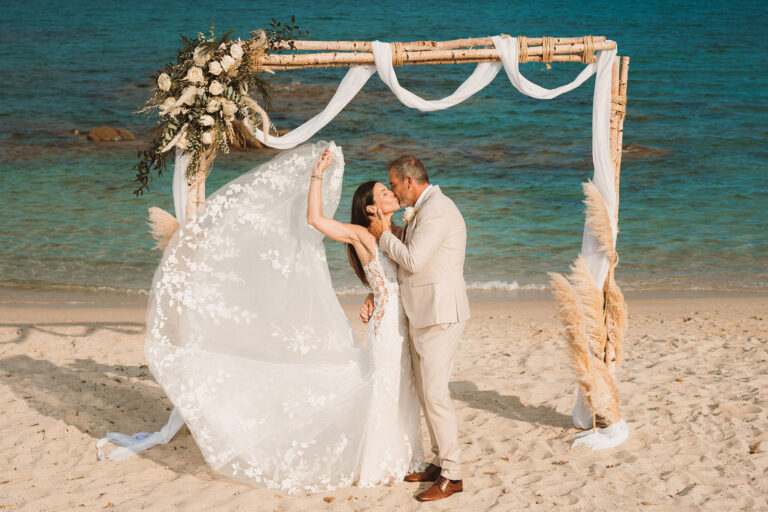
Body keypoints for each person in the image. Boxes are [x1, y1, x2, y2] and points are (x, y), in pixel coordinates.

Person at [126, 141, 425, 495]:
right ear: (371, 207)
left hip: (399, 323)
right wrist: (316, 176)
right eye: (383, 192)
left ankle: (403, 457)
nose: (391, 193)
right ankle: (379, 462)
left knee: (402, 387)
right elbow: (315, 219)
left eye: (390, 190)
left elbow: (398, 277)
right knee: (385, 387)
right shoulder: (361, 233)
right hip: (385, 329)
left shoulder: (398, 234)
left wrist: (373, 295)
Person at [362, 155, 471, 502]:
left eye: (393, 185)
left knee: (436, 395)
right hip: (424, 313)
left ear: (409, 181)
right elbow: (411, 252)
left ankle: (453, 475)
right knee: (427, 394)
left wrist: (381, 236)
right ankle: (440, 464)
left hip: (440, 313)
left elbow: (412, 260)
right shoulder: (424, 210)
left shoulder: (438, 210)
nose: (393, 191)